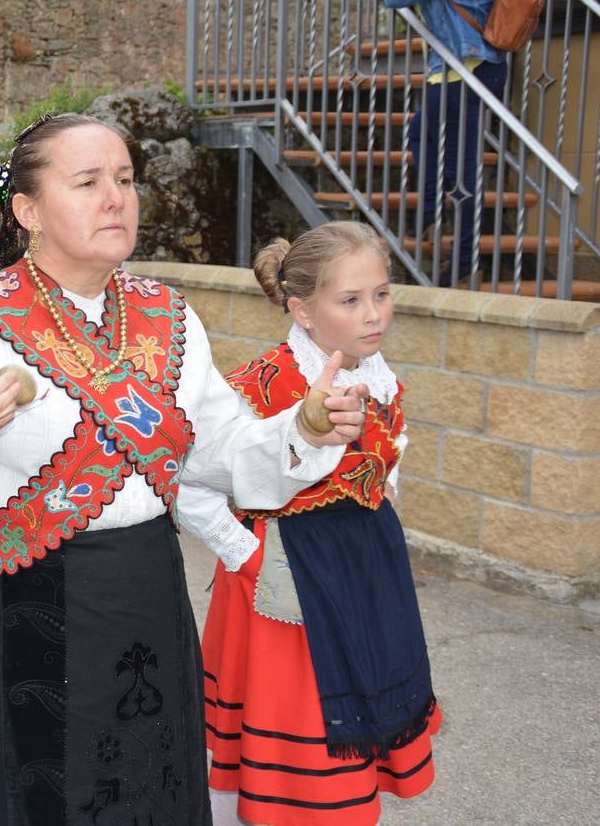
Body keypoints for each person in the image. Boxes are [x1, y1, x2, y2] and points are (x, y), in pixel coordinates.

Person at [0, 114, 371, 824]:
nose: (116, 197)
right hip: (13, 611)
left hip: (142, 598)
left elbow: (220, 455)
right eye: (89, 182)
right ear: (29, 211)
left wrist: (305, 428)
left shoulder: (171, 319)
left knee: (138, 787)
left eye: (125, 180)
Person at [196, 222, 439, 826]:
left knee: (360, 706)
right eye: (351, 300)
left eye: (382, 293)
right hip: (285, 579)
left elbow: (387, 458)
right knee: (298, 736)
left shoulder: (376, 372)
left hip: (361, 566)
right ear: (302, 310)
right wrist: (243, 556)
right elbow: (190, 482)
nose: (373, 314)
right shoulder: (261, 386)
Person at [380, 0, 509, 287]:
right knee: (425, 139)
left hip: (460, 71)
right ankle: (430, 214)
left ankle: (464, 259)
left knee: (460, 167)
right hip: (482, 68)